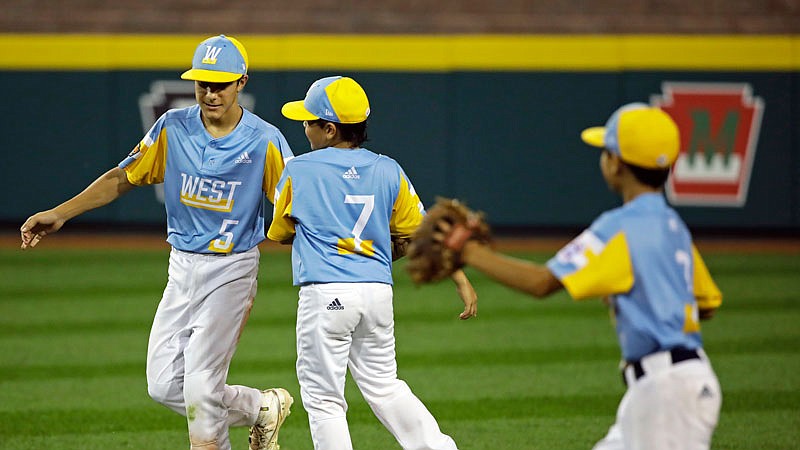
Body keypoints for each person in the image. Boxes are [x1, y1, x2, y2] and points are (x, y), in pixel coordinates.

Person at [20, 35, 294, 450]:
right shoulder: (173, 126)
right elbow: (122, 178)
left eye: (220, 83)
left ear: (242, 82)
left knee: (201, 386)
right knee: (164, 385)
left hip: (232, 269)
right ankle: (259, 408)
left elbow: (295, 205)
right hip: (181, 268)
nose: (210, 92)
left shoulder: (265, 140)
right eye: (203, 82)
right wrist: (61, 212)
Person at [444, 103, 723, 449]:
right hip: (667, 387)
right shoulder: (672, 225)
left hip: (668, 395)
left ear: (615, 163)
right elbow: (706, 305)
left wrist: (468, 252)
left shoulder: (619, 227)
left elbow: (541, 283)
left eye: (604, 150)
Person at [267, 75, 478, 450]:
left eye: (310, 120)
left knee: (324, 400)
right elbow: (422, 235)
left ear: (329, 129)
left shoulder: (300, 169)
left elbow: (280, 232)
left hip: (327, 295)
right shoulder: (388, 169)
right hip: (377, 293)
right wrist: (459, 278)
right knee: (385, 385)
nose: (304, 126)